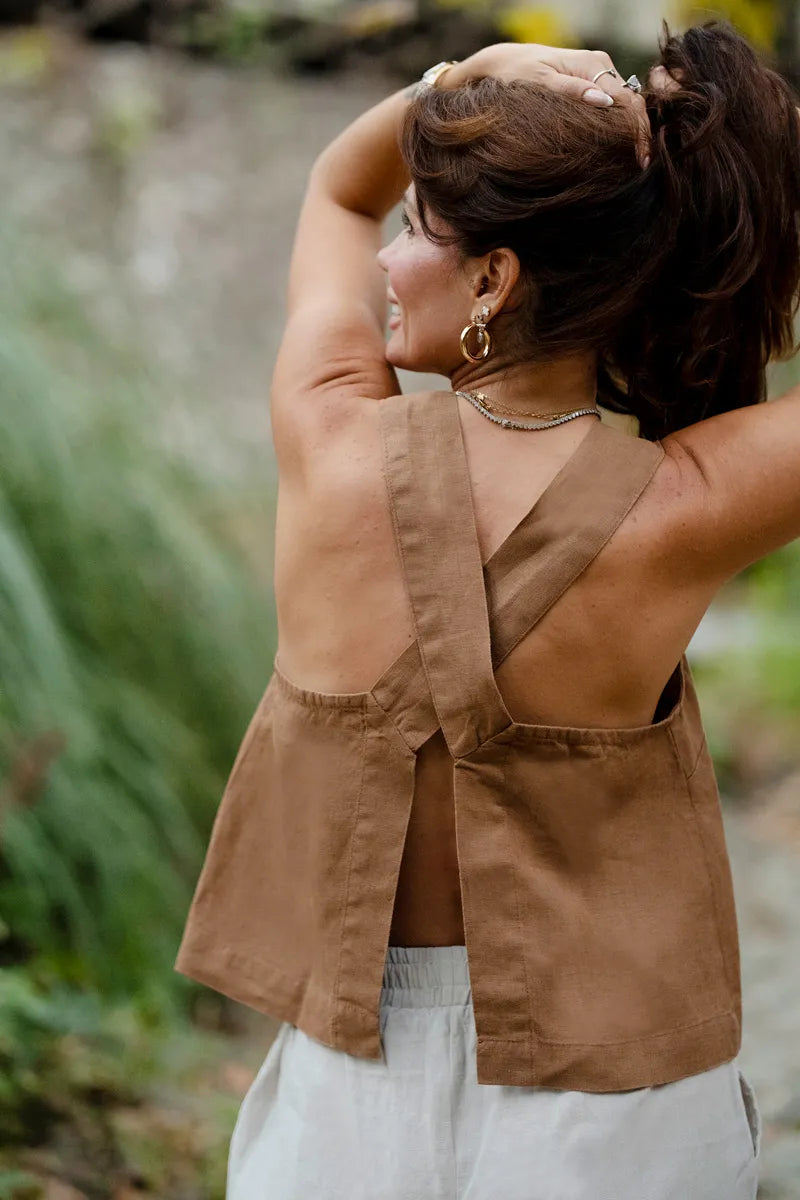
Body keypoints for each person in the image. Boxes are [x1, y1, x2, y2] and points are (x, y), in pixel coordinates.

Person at [175, 23, 800, 1200]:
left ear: (490, 281)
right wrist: (737, 167)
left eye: (422, 230)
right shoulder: (684, 506)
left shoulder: (327, 435)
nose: (388, 255)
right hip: (612, 1095)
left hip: (346, 1087)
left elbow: (334, 191)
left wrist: (461, 75)